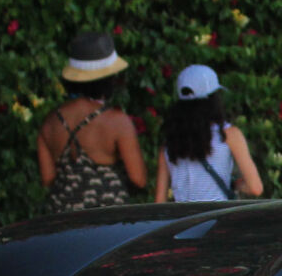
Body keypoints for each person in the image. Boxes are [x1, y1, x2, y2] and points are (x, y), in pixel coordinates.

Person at [38, 31, 150, 210]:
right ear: (110, 77)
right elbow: (138, 179)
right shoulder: (116, 121)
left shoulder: (50, 122)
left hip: (63, 221)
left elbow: (47, 178)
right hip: (107, 222)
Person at [164, 63, 264, 202]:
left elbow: (159, 201)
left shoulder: (170, 141)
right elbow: (255, 188)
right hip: (217, 219)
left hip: (182, 221)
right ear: (214, 98)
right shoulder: (229, 135)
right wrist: (235, 185)